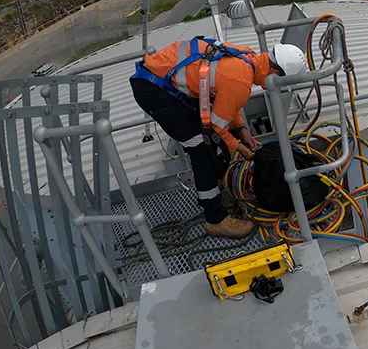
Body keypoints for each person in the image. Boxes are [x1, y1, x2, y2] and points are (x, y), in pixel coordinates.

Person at [130, 37, 308, 238]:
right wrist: (240, 148)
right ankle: (216, 219)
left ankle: (215, 185)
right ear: (275, 73)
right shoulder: (240, 81)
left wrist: (242, 129)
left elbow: (226, 99)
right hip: (154, 90)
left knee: (212, 143)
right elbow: (217, 125)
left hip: (159, 80)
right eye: (280, 82)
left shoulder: (248, 56)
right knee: (201, 149)